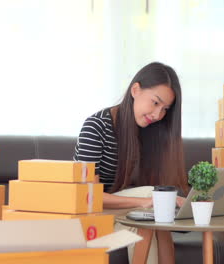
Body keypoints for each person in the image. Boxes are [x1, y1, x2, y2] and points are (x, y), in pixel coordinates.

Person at [73, 62, 188, 264]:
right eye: (155, 103)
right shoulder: (96, 127)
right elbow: (88, 198)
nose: (158, 115)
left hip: (119, 216)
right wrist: (147, 201)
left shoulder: (149, 133)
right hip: (88, 218)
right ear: (135, 90)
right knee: (153, 199)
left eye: (165, 109)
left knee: (153, 220)